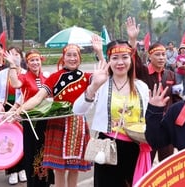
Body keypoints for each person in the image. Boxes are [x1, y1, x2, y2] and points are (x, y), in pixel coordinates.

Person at [73, 17, 151, 187]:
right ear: (108, 60)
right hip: (107, 149)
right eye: (115, 58)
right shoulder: (101, 84)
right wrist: (93, 87)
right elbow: (77, 110)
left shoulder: (141, 87)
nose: (120, 62)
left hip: (136, 148)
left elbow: (147, 119)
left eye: (124, 57)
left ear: (131, 60)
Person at [13, 44, 96, 187]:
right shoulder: (54, 77)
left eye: (75, 55)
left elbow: (106, 75)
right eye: (68, 55)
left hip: (77, 125)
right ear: (63, 58)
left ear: (79, 58)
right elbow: (37, 98)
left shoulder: (86, 77)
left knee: (74, 168)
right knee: (59, 169)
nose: (72, 58)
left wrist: (100, 52)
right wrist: (19, 110)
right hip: (58, 123)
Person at [5, 49, 54, 186]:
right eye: (32, 60)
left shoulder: (46, 77)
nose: (35, 62)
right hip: (31, 121)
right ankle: (33, 182)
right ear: (27, 63)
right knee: (32, 152)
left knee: (46, 151)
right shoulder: (25, 77)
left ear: (41, 61)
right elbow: (15, 84)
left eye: (37, 59)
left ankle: (45, 181)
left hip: (46, 121)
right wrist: (12, 65)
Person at [135, 42, 183, 163]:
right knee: (146, 160)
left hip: (167, 124)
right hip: (148, 123)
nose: (161, 57)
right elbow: (133, 61)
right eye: (157, 54)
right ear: (149, 56)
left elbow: (176, 97)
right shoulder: (143, 72)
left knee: (167, 162)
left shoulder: (171, 74)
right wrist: (132, 39)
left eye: (163, 54)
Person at [0, 46, 27, 185]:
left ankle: (22, 169)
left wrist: (16, 109)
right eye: (11, 55)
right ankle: (12, 171)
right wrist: (0, 105)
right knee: (7, 141)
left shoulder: (26, 73)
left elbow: (26, 94)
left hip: (22, 110)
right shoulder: (2, 74)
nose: (13, 57)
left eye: (16, 54)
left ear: (21, 56)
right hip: (6, 110)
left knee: (22, 140)